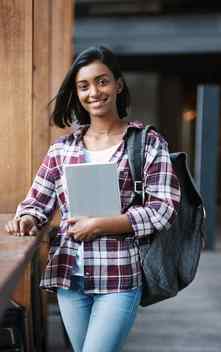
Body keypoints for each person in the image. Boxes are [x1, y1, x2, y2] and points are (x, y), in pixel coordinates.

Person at [5, 46, 181, 352]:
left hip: (120, 276)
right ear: (76, 93)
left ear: (118, 84)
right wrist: (27, 218)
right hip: (69, 277)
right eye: (83, 86)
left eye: (102, 81)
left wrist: (102, 225)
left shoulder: (147, 142)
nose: (94, 92)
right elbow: (36, 202)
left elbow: (164, 208)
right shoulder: (62, 149)